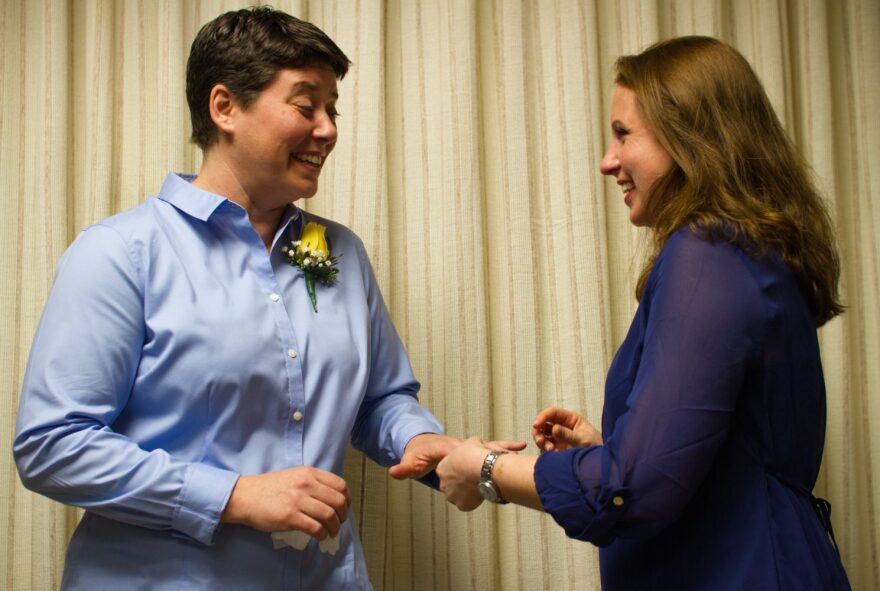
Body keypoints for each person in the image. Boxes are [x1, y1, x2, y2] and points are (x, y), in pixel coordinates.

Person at [14, 7, 463, 589]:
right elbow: (52, 446)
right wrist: (234, 496)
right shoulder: (121, 253)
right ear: (224, 107)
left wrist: (422, 441)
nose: (328, 129)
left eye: (333, 109)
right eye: (307, 106)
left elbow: (380, 399)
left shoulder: (335, 251)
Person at [436, 36, 851, 590]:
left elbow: (632, 489)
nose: (607, 161)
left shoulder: (709, 252)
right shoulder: (744, 250)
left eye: (623, 134)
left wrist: (486, 472)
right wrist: (608, 450)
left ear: (691, 137)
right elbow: (717, 459)